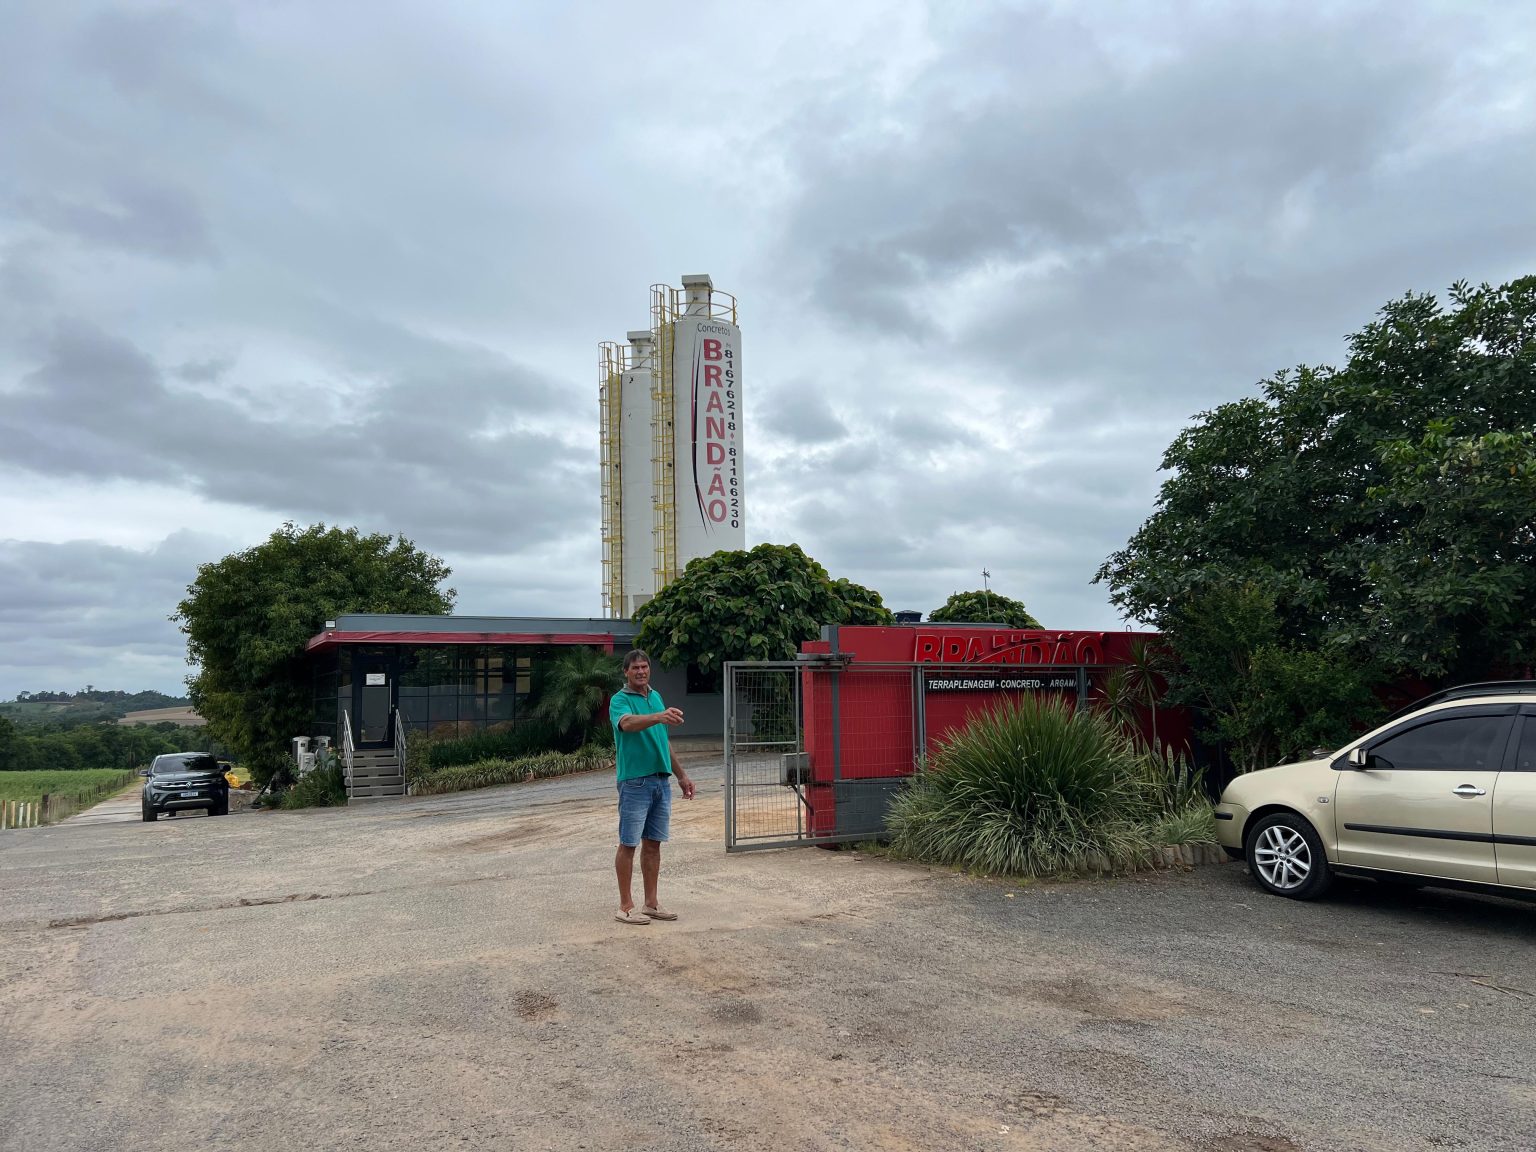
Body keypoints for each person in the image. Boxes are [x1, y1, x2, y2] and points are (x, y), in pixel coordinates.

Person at [609, 649, 695, 924]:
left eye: (644, 667)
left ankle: (651, 904)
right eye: (635, 668)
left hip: (661, 780)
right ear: (626, 671)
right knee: (629, 843)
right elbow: (627, 724)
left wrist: (681, 775)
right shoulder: (620, 700)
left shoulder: (655, 697)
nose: (641, 671)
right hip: (635, 781)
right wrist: (659, 716)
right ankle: (625, 907)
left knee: (654, 844)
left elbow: (662, 741)